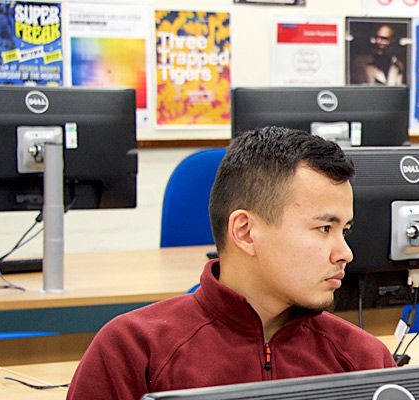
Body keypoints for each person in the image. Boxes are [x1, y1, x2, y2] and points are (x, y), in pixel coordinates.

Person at [67, 127, 394, 399]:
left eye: (344, 230)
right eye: (324, 228)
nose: (345, 253)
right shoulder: (132, 350)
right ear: (245, 231)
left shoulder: (364, 359)